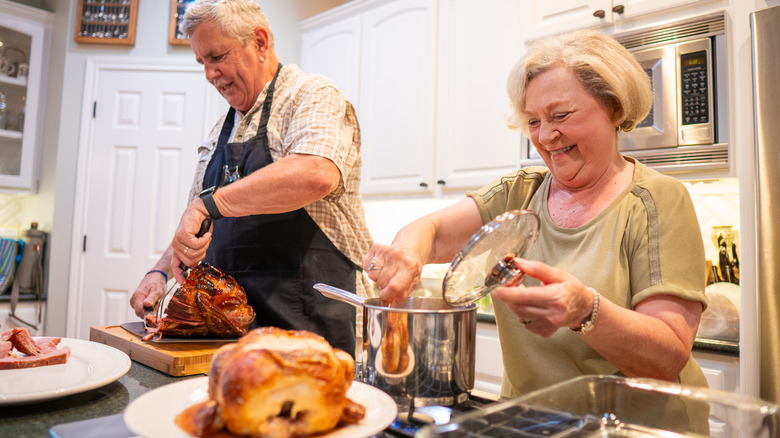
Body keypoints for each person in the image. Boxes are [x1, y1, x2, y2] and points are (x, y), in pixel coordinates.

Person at [363, 29, 709, 432]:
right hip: (530, 423)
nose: (545, 137)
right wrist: (408, 255)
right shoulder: (519, 193)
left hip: (632, 428)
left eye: (561, 116)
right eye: (533, 121)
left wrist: (585, 310)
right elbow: (432, 232)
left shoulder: (655, 201)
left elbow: (666, 358)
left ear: (613, 109)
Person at [129, 0, 372, 356]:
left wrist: (209, 203)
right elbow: (197, 224)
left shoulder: (312, 95)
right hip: (236, 336)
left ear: (259, 42)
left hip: (313, 324)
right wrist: (160, 271)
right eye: (202, 63)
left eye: (216, 57)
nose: (209, 74)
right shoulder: (219, 132)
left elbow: (316, 173)